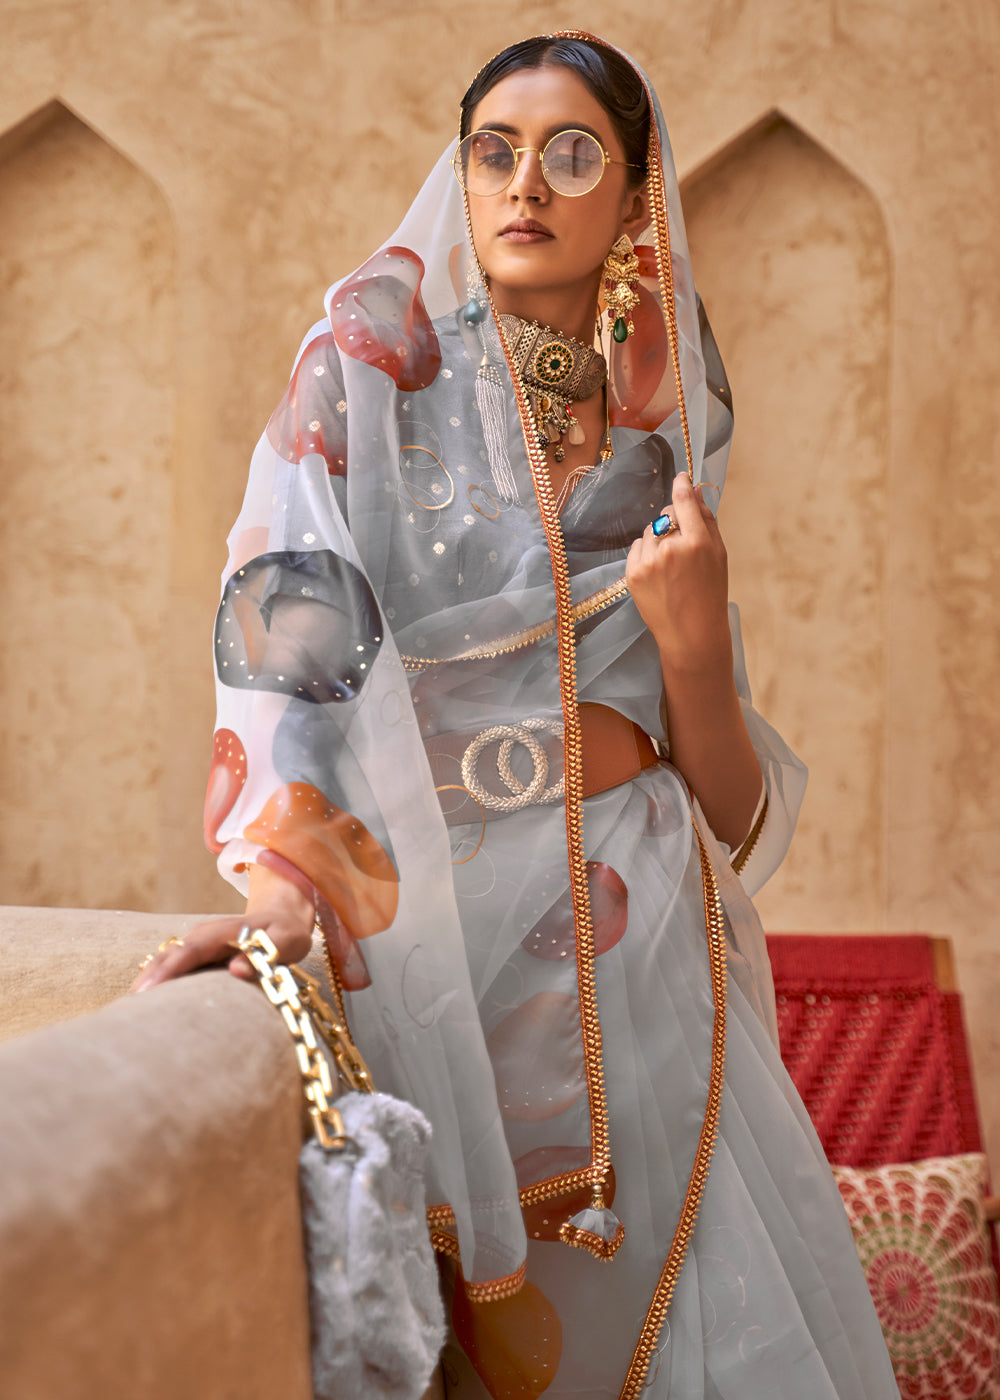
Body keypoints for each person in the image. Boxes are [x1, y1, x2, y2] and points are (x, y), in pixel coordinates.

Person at [131, 31, 898, 1399]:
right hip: (433, 937)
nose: (525, 183)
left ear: (636, 191)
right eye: (495, 151)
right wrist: (283, 894)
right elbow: (288, 634)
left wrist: (695, 642)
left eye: (572, 153)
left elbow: (730, 812)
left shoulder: (673, 408)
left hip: (641, 934)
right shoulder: (365, 373)